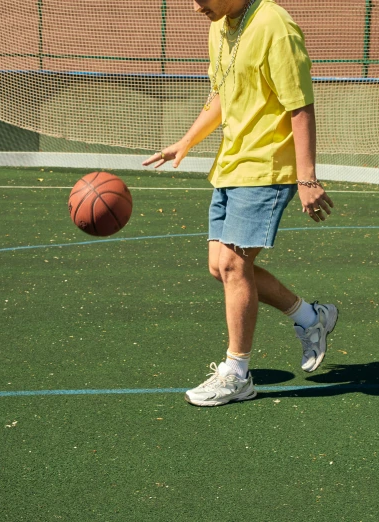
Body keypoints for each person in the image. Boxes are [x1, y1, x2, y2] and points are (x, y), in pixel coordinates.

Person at [143, 0, 338, 406]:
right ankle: (310, 318)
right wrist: (186, 141)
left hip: (267, 166)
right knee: (221, 267)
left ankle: (237, 373)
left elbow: (300, 107)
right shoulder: (220, 24)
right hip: (231, 164)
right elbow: (221, 96)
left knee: (233, 264)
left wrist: (307, 179)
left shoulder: (275, 25)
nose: (197, 7)